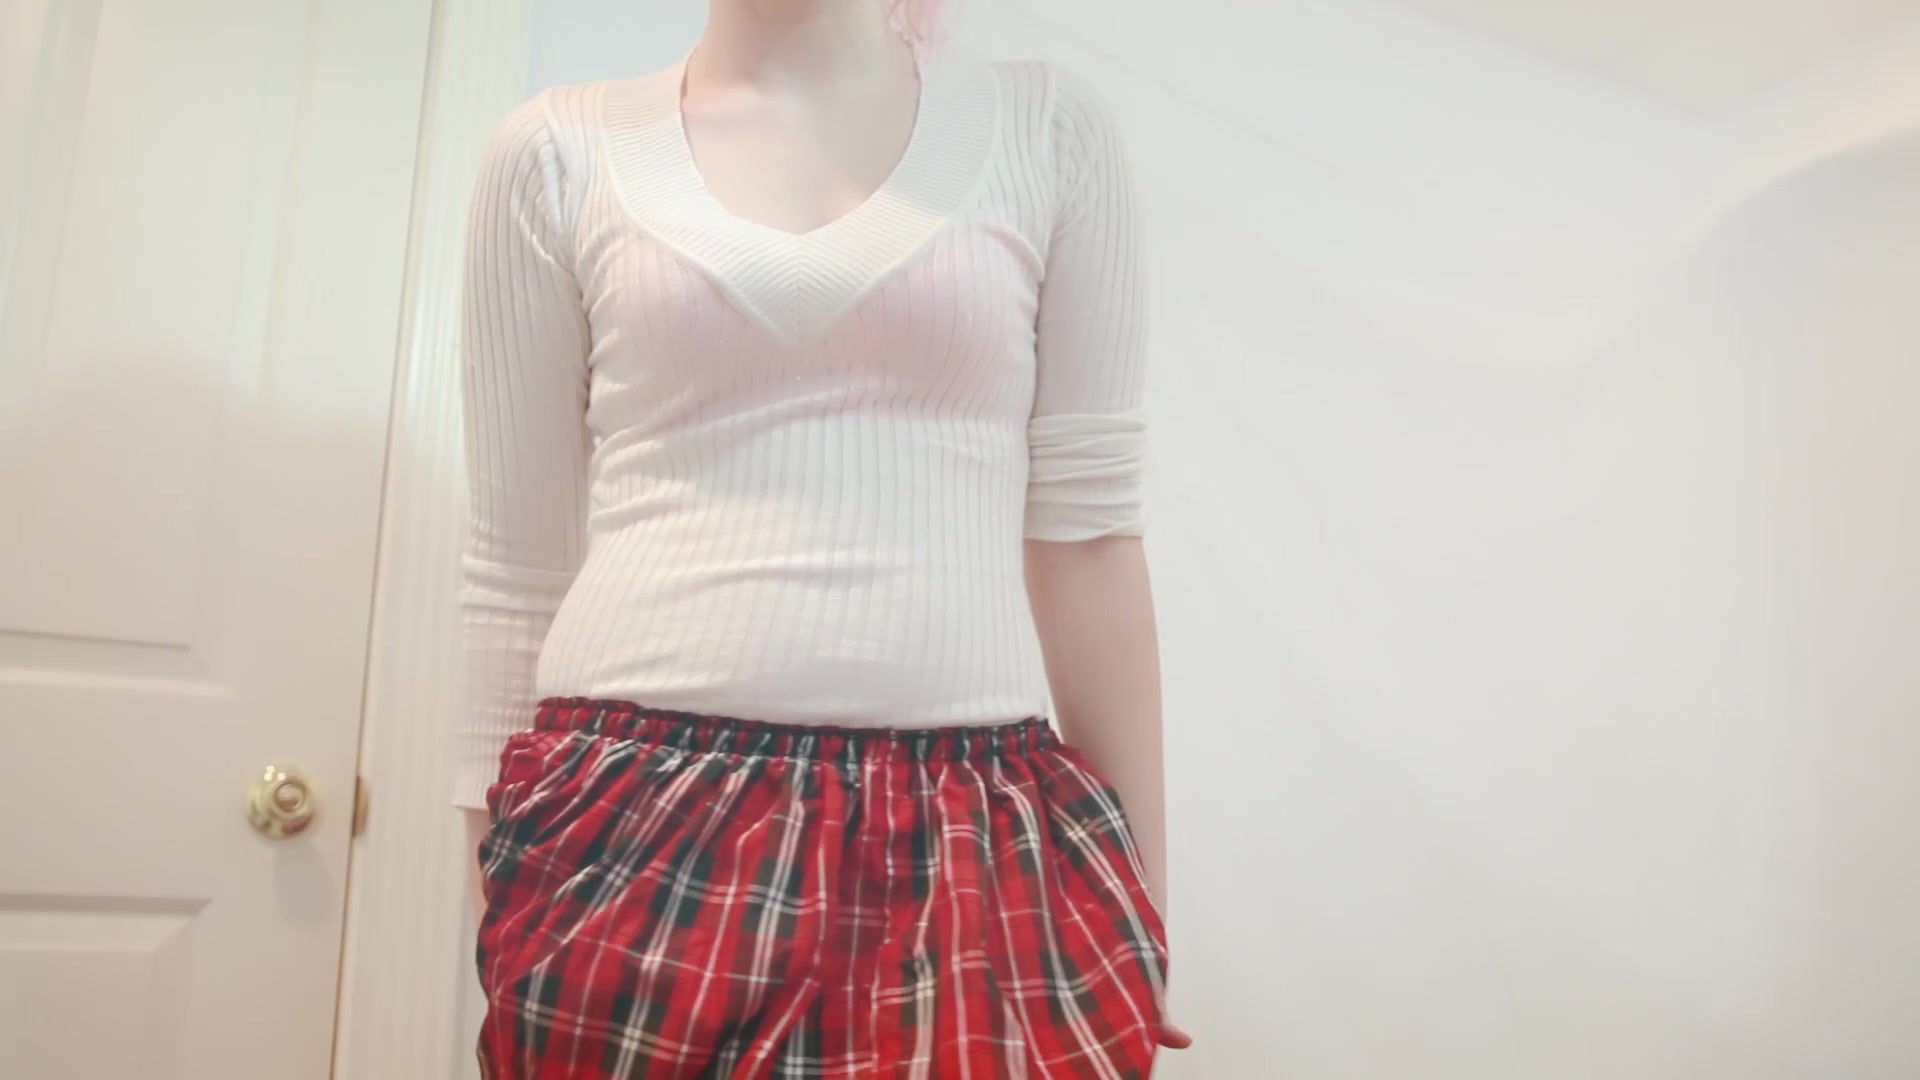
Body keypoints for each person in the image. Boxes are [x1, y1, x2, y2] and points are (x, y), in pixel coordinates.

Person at [457, 0, 1188, 1074]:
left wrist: (1140, 911)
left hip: (972, 833)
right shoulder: (557, 153)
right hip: (626, 828)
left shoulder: (1048, 132)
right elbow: (511, 568)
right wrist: (496, 895)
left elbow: (1089, 540)